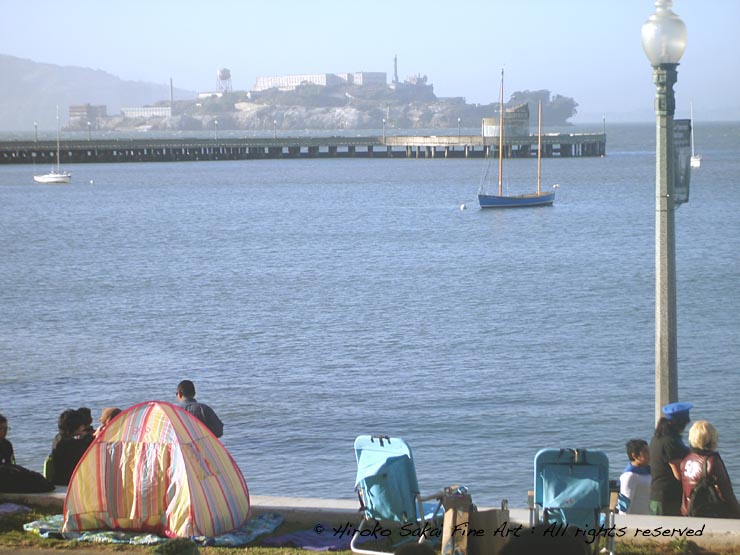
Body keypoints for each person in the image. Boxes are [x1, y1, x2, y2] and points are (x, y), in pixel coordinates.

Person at [680, 420, 740, 518]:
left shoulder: (686, 460)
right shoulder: (712, 461)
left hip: (689, 512)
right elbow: (727, 493)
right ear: (712, 438)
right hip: (709, 513)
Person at [649, 401, 692, 516]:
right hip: (668, 499)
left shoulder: (657, 438)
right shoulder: (671, 442)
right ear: (680, 423)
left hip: (658, 494)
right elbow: (678, 474)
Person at [49, 408, 94, 486]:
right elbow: (86, 448)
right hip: (68, 483)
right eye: (82, 426)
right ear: (76, 427)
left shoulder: (58, 438)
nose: (83, 428)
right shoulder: (70, 445)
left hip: (58, 479)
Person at [618, 438, 651, 514]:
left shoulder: (648, 470)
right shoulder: (629, 476)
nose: (649, 454)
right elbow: (624, 503)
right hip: (635, 519)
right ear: (635, 456)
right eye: (646, 452)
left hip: (649, 516)